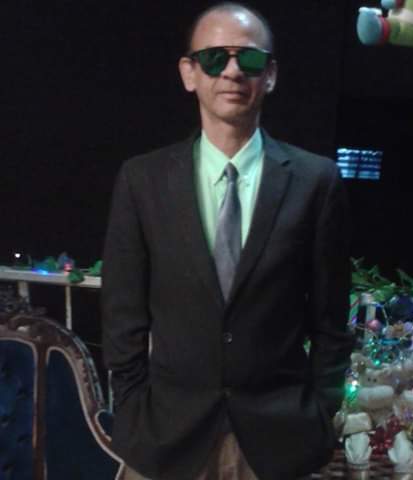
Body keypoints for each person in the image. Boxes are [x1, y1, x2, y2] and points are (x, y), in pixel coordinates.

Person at [101, 3, 354, 480]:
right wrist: (132, 409)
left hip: (279, 444)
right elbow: (122, 315)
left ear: (270, 74)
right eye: (215, 58)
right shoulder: (143, 180)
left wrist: (321, 412)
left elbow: (331, 322)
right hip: (165, 440)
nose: (233, 71)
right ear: (189, 73)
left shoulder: (315, 181)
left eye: (249, 58)